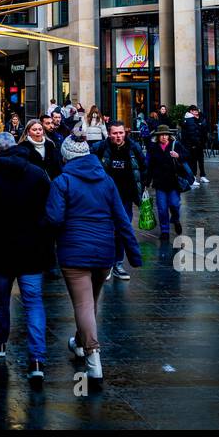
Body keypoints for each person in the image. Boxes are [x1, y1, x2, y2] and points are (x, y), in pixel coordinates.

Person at [45, 133, 141, 382]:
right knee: (89, 303)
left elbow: (54, 219)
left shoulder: (62, 181)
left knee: (84, 305)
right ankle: (79, 342)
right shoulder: (106, 180)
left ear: (66, 156)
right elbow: (122, 219)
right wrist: (134, 253)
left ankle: (93, 357)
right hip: (103, 252)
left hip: (74, 251)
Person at [0, 132, 53, 383]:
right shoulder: (37, 174)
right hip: (32, 249)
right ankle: (37, 358)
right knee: (33, 302)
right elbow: (51, 210)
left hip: (0, 248)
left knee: (0, 298)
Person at [94, 120, 148, 279]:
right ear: (109, 134)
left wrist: (142, 185)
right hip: (105, 197)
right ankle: (107, 263)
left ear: (125, 133)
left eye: (121, 133)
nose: (118, 136)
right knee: (107, 230)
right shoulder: (100, 148)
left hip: (126, 197)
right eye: (115, 133)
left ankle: (118, 263)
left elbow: (144, 167)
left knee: (122, 230)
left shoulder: (134, 147)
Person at [145, 124, 190, 241]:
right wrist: (146, 181)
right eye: (161, 135)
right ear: (157, 137)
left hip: (174, 182)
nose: (164, 137)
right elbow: (149, 166)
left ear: (169, 136)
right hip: (159, 183)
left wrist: (178, 155)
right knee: (162, 208)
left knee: (175, 204)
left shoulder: (176, 145)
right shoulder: (153, 147)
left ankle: (176, 219)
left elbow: (187, 155)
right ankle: (164, 230)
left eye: (166, 135)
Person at [180, 105, 209, 187]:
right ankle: (193, 178)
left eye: (197, 110)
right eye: (194, 110)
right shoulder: (189, 120)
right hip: (193, 144)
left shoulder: (197, 118)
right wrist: (194, 143)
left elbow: (202, 129)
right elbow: (192, 133)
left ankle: (200, 176)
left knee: (200, 160)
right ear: (190, 111)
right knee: (193, 161)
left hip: (198, 143)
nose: (196, 111)